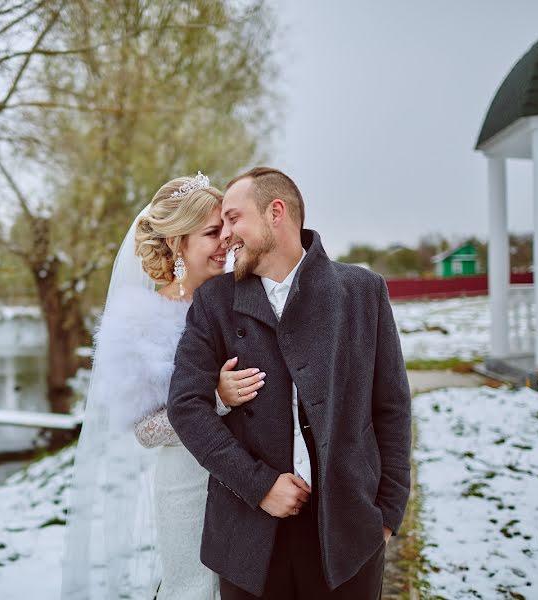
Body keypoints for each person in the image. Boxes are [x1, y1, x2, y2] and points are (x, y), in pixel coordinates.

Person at [167, 166, 412, 599]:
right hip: (248, 533)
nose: (225, 234)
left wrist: (388, 515)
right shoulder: (215, 302)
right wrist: (258, 485)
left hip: (348, 531)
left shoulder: (361, 292)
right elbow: (186, 406)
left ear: (275, 212)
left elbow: (391, 408)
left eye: (233, 218)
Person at [61, 172, 264, 600]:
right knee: (195, 587)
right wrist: (215, 399)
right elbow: (146, 429)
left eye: (227, 229)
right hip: (187, 482)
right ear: (177, 243)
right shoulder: (141, 322)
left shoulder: (244, 297)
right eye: (212, 233)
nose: (227, 241)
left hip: (255, 471)